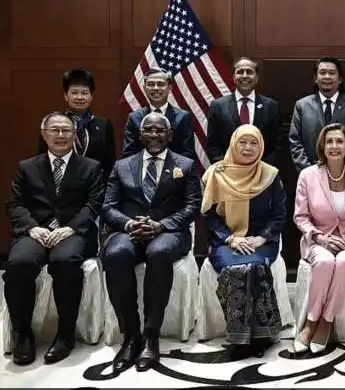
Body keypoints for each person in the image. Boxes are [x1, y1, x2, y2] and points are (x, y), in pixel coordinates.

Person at [101, 112, 201, 373]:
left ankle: (151, 335)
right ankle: (131, 335)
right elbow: (108, 207)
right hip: (130, 230)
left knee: (159, 252)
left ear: (169, 135)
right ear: (140, 134)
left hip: (170, 230)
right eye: (149, 130)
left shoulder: (186, 165)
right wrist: (129, 224)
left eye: (160, 131)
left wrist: (161, 225)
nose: (154, 135)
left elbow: (193, 206)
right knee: (115, 254)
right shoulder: (122, 165)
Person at [5, 112, 104, 366]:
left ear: (75, 135)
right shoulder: (27, 167)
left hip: (73, 232)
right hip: (36, 231)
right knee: (19, 264)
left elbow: (93, 205)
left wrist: (70, 228)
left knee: (65, 261)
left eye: (66, 130)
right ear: (44, 134)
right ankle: (23, 334)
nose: (61, 135)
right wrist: (31, 228)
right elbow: (15, 204)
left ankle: (65, 335)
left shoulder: (90, 167)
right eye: (55, 130)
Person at [201, 125, 287, 358]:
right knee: (238, 268)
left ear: (261, 147)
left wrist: (262, 237)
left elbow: (279, 214)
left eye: (254, 143)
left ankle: (261, 336)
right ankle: (240, 338)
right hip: (226, 242)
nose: (248, 148)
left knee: (256, 266)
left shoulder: (270, 175)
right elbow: (209, 216)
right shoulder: (217, 173)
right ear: (233, 144)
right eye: (243, 142)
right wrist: (231, 238)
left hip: (261, 241)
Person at [293, 124, 345, 354]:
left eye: (340, 141)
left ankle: (326, 321)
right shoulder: (308, 176)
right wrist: (320, 238)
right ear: (322, 146)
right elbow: (301, 217)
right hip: (319, 239)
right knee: (325, 262)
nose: (334, 146)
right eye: (329, 141)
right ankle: (311, 321)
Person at [289, 57, 345, 173]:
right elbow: (295, 142)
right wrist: (309, 172)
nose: (327, 76)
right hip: (311, 173)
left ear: (340, 79)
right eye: (322, 73)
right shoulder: (302, 106)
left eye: (332, 73)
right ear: (315, 78)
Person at [37, 69, 116, 181]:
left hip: (95, 188)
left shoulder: (104, 125)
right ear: (66, 96)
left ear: (91, 96)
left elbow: (109, 163)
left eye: (84, 93)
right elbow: (42, 159)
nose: (79, 97)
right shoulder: (52, 123)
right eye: (74, 93)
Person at [206, 57, 281, 165]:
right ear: (233, 77)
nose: (245, 75)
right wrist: (226, 166)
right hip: (228, 171)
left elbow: (278, 143)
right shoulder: (218, 106)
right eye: (240, 72)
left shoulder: (271, 106)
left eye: (249, 72)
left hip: (262, 171)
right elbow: (212, 144)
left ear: (256, 78)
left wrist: (263, 167)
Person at [122, 68, 195, 159]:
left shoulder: (183, 117)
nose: (156, 88)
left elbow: (188, 153)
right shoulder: (134, 117)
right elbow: (129, 153)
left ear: (169, 88)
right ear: (144, 88)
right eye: (151, 84)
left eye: (160, 84)